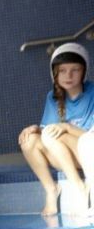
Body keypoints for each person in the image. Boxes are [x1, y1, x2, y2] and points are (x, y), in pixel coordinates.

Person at [18, 42, 94, 216]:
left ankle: (79, 188)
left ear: (84, 71)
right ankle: (51, 190)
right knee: (29, 140)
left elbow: (89, 140)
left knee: (51, 135)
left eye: (75, 70)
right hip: (66, 155)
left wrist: (66, 127)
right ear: (55, 73)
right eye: (62, 71)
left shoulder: (92, 93)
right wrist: (34, 128)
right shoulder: (52, 97)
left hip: (89, 155)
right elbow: (48, 129)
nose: (68, 75)